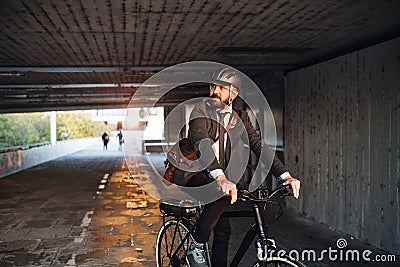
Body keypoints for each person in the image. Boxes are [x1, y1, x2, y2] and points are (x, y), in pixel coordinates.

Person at [175, 67, 301, 267]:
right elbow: (202, 143)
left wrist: (284, 175)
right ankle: (196, 245)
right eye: (212, 86)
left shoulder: (240, 118)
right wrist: (220, 177)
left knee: (223, 230)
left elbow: (259, 145)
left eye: (221, 88)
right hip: (193, 173)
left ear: (233, 94)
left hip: (217, 178)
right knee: (220, 195)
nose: (214, 91)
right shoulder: (200, 111)